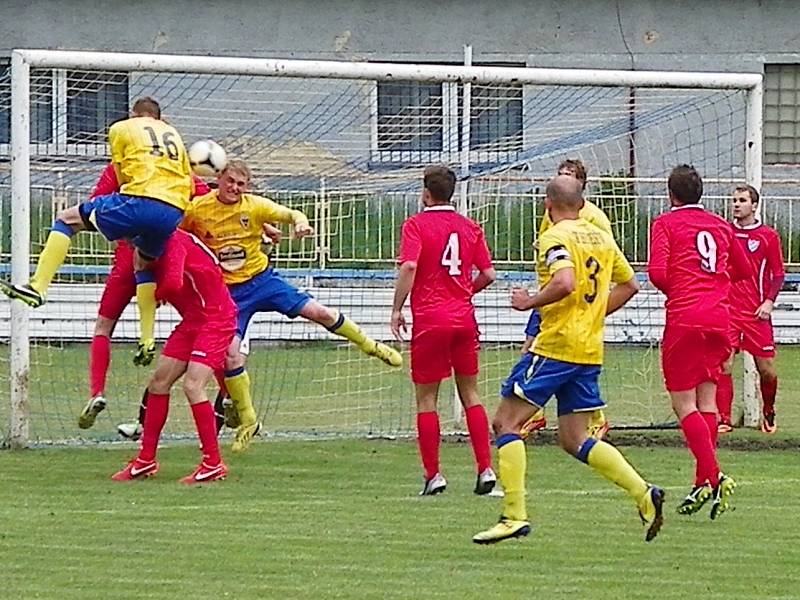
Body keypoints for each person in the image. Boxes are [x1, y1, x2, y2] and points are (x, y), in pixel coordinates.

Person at [473, 175, 663, 545]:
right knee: (575, 439)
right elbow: (631, 285)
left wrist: (528, 301)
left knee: (505, 423)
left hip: (555, 346)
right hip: (588, 350)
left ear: (548, 205)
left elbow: (565, 282)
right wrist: (592, 317)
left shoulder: (554, 237)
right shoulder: (602, 237)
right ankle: (644, 493)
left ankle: (513, 516)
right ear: (582, 204)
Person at [162, 159, 402, 451]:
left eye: (241, 184)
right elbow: (175, 236)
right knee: (230, 356)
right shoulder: (198, 209)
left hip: (263, 281)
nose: (235, 188)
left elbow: (291, 213)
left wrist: (300, 223)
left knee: (318, 312)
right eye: (230, 182)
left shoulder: (254, 206)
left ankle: (370, 345)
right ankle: (248, 421)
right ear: (219, 179)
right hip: (226, 294)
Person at [0, 97, 194, 367]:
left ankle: (38, 287)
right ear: (159, 119)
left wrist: (129, 218)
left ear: (132, 114)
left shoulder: (122, 128)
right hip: (173, 211)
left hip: (140, 199)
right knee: (142, 261)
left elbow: (122, 173)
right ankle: (148, 338)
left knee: (66, 219)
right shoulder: (175, 136)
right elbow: (188, 181)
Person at [648, 165, 750, 519]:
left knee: (683, 404)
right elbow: (743, 270)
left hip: (686, 318)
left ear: (670, 194)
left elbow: (658, 273)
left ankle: (716, 477)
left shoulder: (665, 224)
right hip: (719, 319)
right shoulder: (721, 226)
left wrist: (685, 290)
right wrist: (713, 285)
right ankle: (701, 482)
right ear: (700, 194)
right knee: (707, 400)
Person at [77, 163, 211, 430]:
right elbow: (207, 202)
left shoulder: (121, 166)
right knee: (204, 324)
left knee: (104, 327)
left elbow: (95, 207)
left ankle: (98, 392)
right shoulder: (177, 167)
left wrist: (119, 228)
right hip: (165, 255)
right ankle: (230, 398)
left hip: (129, 256)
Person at [391, 165, 498, 497]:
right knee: (471, 394)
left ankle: (434, 474)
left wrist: (397, 308)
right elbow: (489, 274)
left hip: (430, 321)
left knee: (426, 399)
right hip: (464, 319)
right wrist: (465, 292)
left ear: (425, 193)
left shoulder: (416, 225)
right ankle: (485, 469)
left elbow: (409, 265)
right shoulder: (470, 228)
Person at [112, 229, 236, 483]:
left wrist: (156, 292)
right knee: (158, 383)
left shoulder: (174, 241)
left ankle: (213, 462)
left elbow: (172, 283)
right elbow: (143, 284)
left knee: (193, 386)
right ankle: (146, 460)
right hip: (193, 321)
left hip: (216, 320)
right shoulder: (142, 245)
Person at [521, 159, 611, 438]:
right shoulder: (552, 214)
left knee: (543, 357)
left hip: (573, 299)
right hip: (551, 297)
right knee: (531, 350)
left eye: (569, 176)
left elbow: (607, 258)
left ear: (581, 185)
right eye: (560, 175)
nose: (563, 179)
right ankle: (536, 415)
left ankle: (595, 418)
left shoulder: (595, 218)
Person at [716, 185, 784, 434]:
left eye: (742, 200)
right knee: (723, 364)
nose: (736, 204)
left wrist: (769, 301)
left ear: (754, 205)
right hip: (728, 311)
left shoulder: (768, 236)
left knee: (766, 369)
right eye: (734, 200)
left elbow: (778, 273)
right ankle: (724, 418)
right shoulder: (724, 232)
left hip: (756, 313)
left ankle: (768, 410)